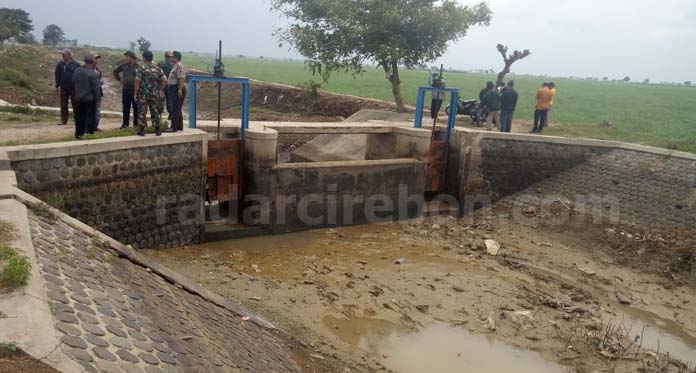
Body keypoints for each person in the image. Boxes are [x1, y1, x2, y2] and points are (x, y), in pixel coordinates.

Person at [134, 51, 167, 137]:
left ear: (144, 58)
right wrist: (161, 90)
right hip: (154, 94)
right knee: (154, 111)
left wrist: (135, 93)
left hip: (143, 94)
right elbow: (165, 80)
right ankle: (158, 130)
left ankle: (142, 130)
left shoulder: (141, 68)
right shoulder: (158, 68)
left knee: (142, 111)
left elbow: (137, 81)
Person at [72, 54, 101, 139]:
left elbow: (73, 81)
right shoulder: (92, 74)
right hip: (89, 100)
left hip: (78, 98)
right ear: (92, 62)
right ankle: (89, 134)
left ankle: (78, 134)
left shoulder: (77, 71)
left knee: (79, 118)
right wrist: (98, 100)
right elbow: (96, 89)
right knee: (90, 118)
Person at [113, 51, 139, 129]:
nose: (125, 58)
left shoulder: (137, 67)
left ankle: (136, 123)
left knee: (136, 108)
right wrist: (119, 80)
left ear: (132, 58)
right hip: (126, 90)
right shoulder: (123, 66)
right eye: (125, 56)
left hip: (136, 90)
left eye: (127, 56)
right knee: (126, 107)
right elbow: (115, 71)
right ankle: (125, 124)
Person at [54, 49, 80, 125]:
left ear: (69, 55)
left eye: (65, 54)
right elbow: (57, 75)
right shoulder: (60, 64)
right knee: (63, 104)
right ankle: (63, 120)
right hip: (63, 87)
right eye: (62, 54)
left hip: (73, 87)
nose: (63, 56)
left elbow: (79, 76)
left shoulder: (76, 64)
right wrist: (57, 86)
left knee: (75, 103)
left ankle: (77, 119)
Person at [166, 51, 187, 132]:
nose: (170, 58)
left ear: (176, 57)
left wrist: (180, 90)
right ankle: (179, 126)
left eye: (172, 57)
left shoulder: (179, 66)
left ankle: (173, 127)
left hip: (176, 88)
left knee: (175, 108)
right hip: (174, 88)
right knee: (177, 108)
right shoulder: (175, 65)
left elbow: (181, 78)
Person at [158, 51, 174, 119]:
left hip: (161, 84)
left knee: (160, 99)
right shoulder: (173, 65)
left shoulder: (160, 63)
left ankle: (159, 114)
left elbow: (157, 74)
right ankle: (170, 114)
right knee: (169, 100)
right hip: (170, 85)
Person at [92, 54, 104, 131]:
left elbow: (98, 80)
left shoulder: (98, 69)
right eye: (95, 58)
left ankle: (95, 127)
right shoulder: (85, 69)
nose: (96, 60)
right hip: (89, 93)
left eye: (97, 59)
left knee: (97, 111)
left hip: (97, 92)